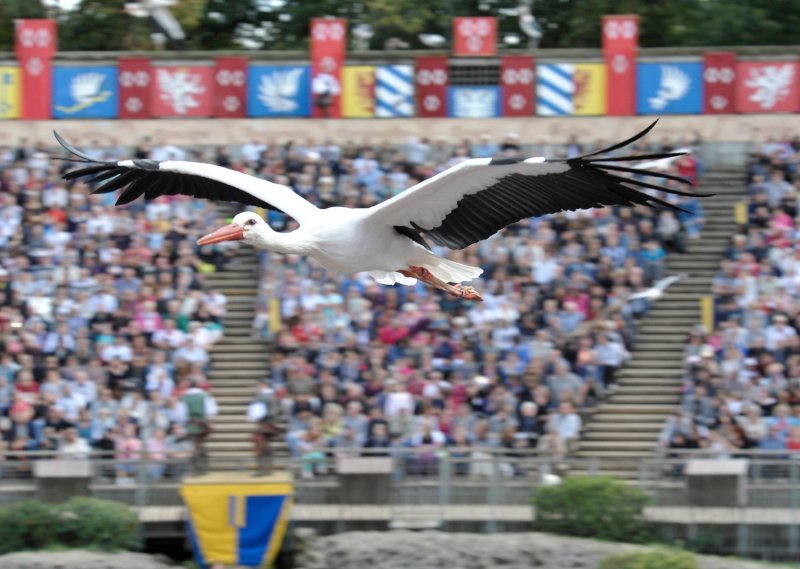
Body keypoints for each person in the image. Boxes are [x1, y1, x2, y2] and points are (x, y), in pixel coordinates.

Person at [179, 378, 218, 473]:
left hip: (191, 425)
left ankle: (198, 467)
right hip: (202, 424)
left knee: (195, 446)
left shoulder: (184, 397)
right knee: (199, 445)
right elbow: (212, 411)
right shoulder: (205, 396)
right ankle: (202, 465)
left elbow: (181, 414)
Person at [247, 381, 284, 475]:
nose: (258, 387)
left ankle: (263, 469)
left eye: (259, 385)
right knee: (266, 446)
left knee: (261, 445)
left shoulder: (263, 397)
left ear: (264, 385)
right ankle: (267, 469)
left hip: (265, 423)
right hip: (270, 423)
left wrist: (256, 418)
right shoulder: (273, 396)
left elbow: (258, 413)